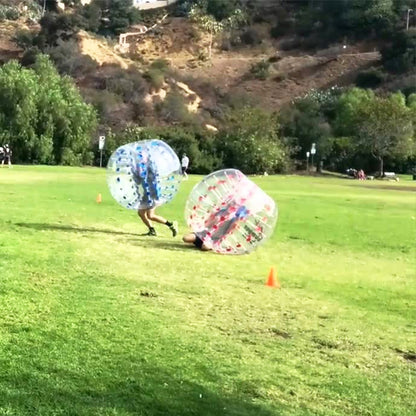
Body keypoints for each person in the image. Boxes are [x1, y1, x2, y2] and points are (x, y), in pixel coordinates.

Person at [134, 159, 178, 237]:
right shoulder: (142, 168)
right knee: (141, 213)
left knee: (150, 215)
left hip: (152, 194)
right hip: (146, 194)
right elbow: (138, 181)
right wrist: (135, 174)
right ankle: (152, 230)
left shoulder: (150, 167)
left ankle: (171, 225)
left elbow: (148, 177)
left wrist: (139, 172)